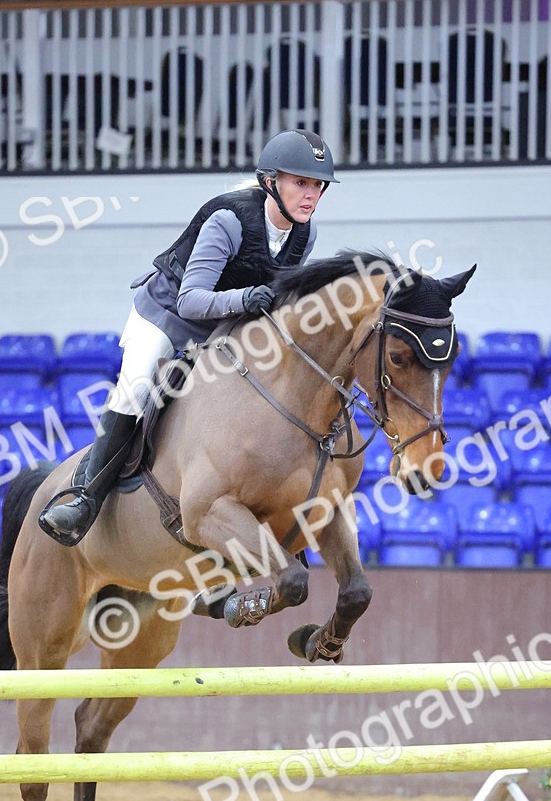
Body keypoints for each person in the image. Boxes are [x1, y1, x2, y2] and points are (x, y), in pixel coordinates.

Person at [40, 127, 338, 546]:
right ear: (271, 182)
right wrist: (245, 298)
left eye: (317, 186)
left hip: (224, 324)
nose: (311, 195)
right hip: (167, 315)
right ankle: (85, 499)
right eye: (301, 183)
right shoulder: (228, 221)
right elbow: (190, 300)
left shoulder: (305, 234)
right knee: (136, 389)